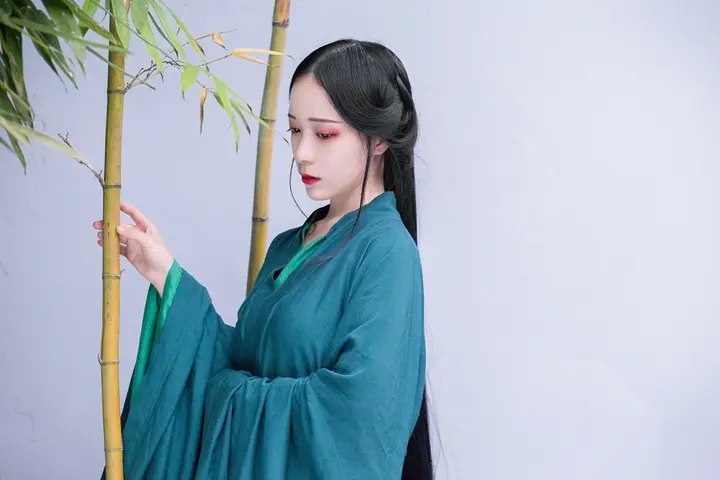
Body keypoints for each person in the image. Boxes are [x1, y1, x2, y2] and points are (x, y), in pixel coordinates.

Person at [94, 38, 433, 479]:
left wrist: (232, 393)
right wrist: (166, 274)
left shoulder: (388, 253)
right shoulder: (289, 245)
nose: (302, 152)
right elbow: (240, 360)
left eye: (324, 134)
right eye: (295, 130)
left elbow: (359, 418)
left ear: (380, 138)